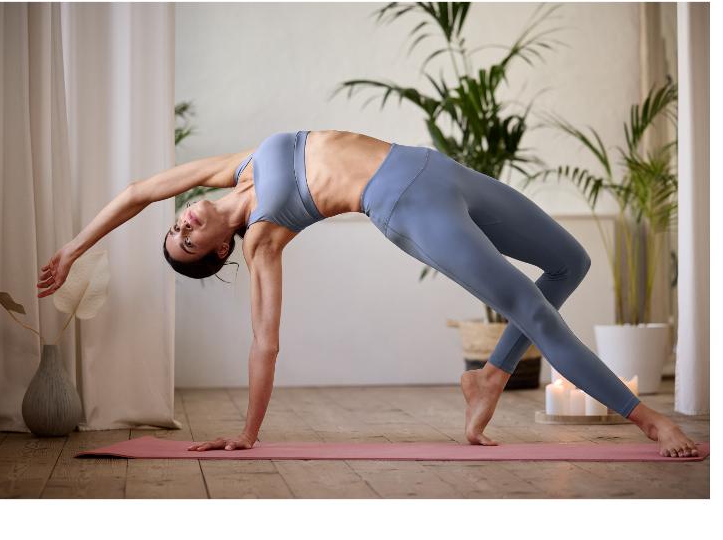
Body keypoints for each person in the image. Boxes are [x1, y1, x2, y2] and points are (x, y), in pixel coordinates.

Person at [37, 129, 699, 458]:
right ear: (215, 252)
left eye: (174, 225)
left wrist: (73, 247)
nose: (179, 221)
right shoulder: (262, 238)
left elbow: (136, 193)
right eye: (184, 243)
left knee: (570, 260)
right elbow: (265, 343)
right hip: (408, 205)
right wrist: (247, 431)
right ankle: (648, 420)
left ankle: (490, 377)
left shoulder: (232, 167)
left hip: (436, 169)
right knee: (530, 304)